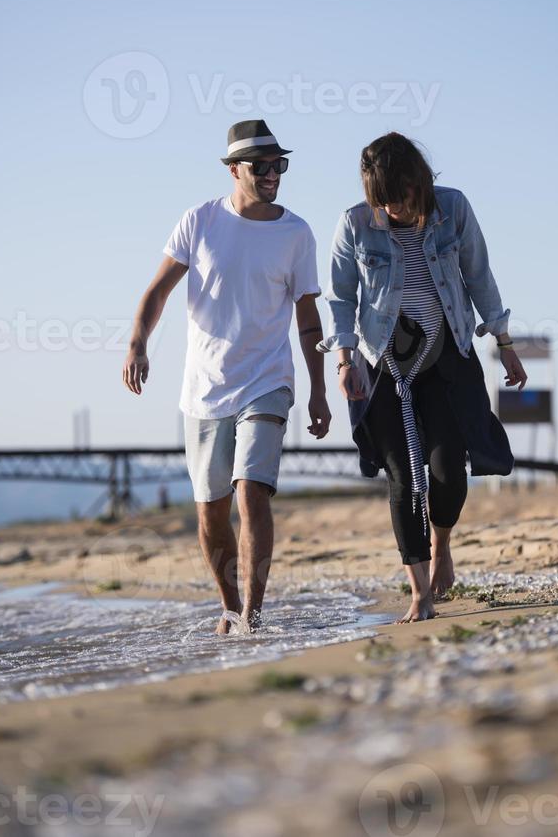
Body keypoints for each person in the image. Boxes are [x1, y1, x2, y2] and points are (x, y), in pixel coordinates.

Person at [123, 119, 331, 633]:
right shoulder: (199, 222)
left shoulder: (296, 233)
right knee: (211, 513)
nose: (272, 174)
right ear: (234, 169)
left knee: (250, 490)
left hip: (268, 381)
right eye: (261, 166)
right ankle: (230, 607)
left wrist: (320, 389)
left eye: (279, 165)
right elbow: (157, 291)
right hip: (205, 390)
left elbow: (308, 319)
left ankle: (254, 617)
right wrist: (137, 343)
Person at [317, 132, 526, 624]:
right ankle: (419, 593)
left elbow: (479, 276)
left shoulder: (453, 209)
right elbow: (341, 297)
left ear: (420, 181)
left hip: (446, 358)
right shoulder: (354, 224)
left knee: (448, 473)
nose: (392, 208)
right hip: (381, 369)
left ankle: (442, 541)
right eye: (382, 199)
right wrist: (344, 361)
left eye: (400, 196)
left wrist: (505, 342)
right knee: (402, 475)